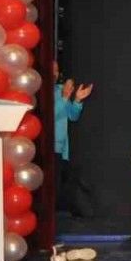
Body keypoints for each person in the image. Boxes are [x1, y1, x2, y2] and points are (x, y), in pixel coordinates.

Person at [53, 59, 94, 217]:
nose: (55, 73)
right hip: (46, 148)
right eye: (51, 70)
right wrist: (64, 97)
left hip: (62, 148)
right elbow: (50, 115)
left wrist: (77, 100)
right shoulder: (39, 92)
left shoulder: (61, 90)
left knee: (61, 186)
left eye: (57, 70)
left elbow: (73, 116)